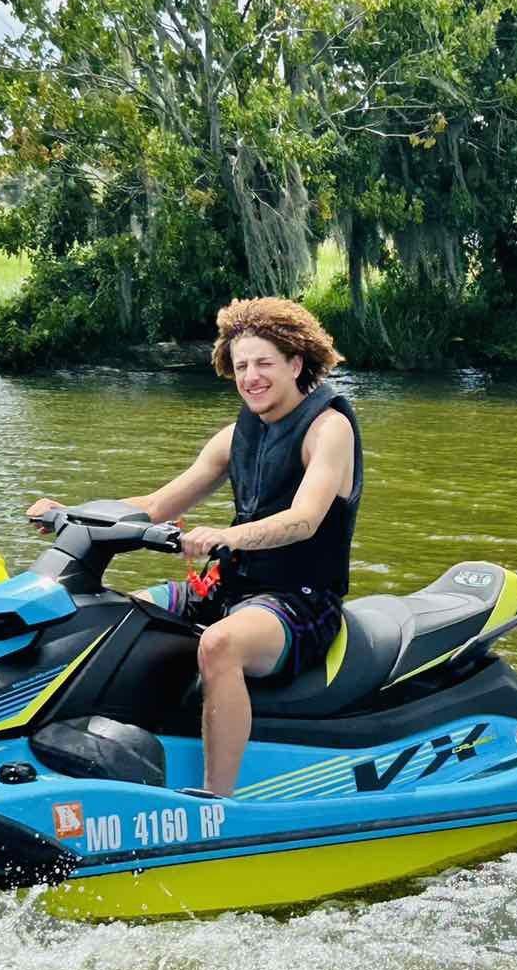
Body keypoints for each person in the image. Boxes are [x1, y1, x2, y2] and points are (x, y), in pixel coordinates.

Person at [27, 296, 362, 795]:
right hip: (230, 588)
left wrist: (227, 536)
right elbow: (159, 503)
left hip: (300, 601)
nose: (251, 376)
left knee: (219, 645)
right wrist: (71, 514)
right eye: (243, 365)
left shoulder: (328, 429)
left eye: (264, 363)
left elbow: (304, 520)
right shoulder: (236, 436)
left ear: (295, 364)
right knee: (116, 618)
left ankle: (215, 799)